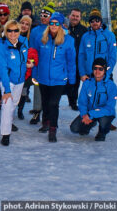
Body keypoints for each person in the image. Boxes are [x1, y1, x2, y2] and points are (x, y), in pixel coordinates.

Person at [33, 12, 76, 142]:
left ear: (61, 25)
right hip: (43, 77)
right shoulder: (42, 38)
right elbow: (35, 57)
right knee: (45, 102)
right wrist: (35, 74)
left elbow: (71, 61)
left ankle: (53, 128)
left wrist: (72, 79)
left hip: (59, 78)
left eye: (56, 23)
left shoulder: (68, 40)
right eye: (51, 22)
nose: (53, 25)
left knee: (53, 103)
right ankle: (45, 121)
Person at [0, 20, 31, 146]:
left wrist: (28, 65)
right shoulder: (1, 47)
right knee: (7, 105)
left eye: (15, 30)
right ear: (5, 31)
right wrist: (7, 89)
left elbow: (24, 59)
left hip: (20, 79)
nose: (13, 33)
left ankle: (8, 122)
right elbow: (2, 69)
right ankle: (5, 134)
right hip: (8, 81)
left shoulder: (24, 42)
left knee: (14, 103)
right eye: (9, 30)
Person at [70, 58, 117, 141]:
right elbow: (82, 102)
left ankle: (102, 132)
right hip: (89, 113)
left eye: (100, 69)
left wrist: (91, 114)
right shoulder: (87, 83)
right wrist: (84, 115)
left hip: (104, 113)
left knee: (104, 121)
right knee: (74, 128)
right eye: (95, 68)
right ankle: (90, 124)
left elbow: (109, 107)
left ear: (105, 70)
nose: (97, 71)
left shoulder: (111, 86)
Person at [28, 1, 55, 124]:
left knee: (50, 90)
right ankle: (37, 111)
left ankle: (49, 112)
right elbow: (32, 49)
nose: (43, 18)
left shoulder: (54, 30)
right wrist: (33, 65)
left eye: (46, 16)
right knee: (38, 88)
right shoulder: (35, 31)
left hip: (51, 65)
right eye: (42, 15)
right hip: (38, 65)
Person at [78, 9, 117, 82]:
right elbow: (81, 56)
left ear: (101, 22)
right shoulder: (85, 37)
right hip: (89, 76)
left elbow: (113, 57)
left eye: (97, 20)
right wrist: (82, 74)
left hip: (104, 76)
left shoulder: (109, 36)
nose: (94, 23)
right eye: (92, 21)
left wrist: (107, 73)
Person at [65, 8, 87, 111]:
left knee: (75, 83)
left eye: (77, 16)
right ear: (69, 16)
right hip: (64, 61)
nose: (75, 18)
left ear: (80, 18)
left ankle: (73, 102)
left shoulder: (84, 30)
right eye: (73, 15)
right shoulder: (63, 28)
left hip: (77, 61)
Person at [17, 15, 37, 120]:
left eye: (27, 24)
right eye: (22, 23)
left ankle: (20, 110)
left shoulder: (30, 39)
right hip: (14, 70)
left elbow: (33, 54)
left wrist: (32, 63)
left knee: (24, 91)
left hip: (26, 71)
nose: (24, 26)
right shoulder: (13, 35)